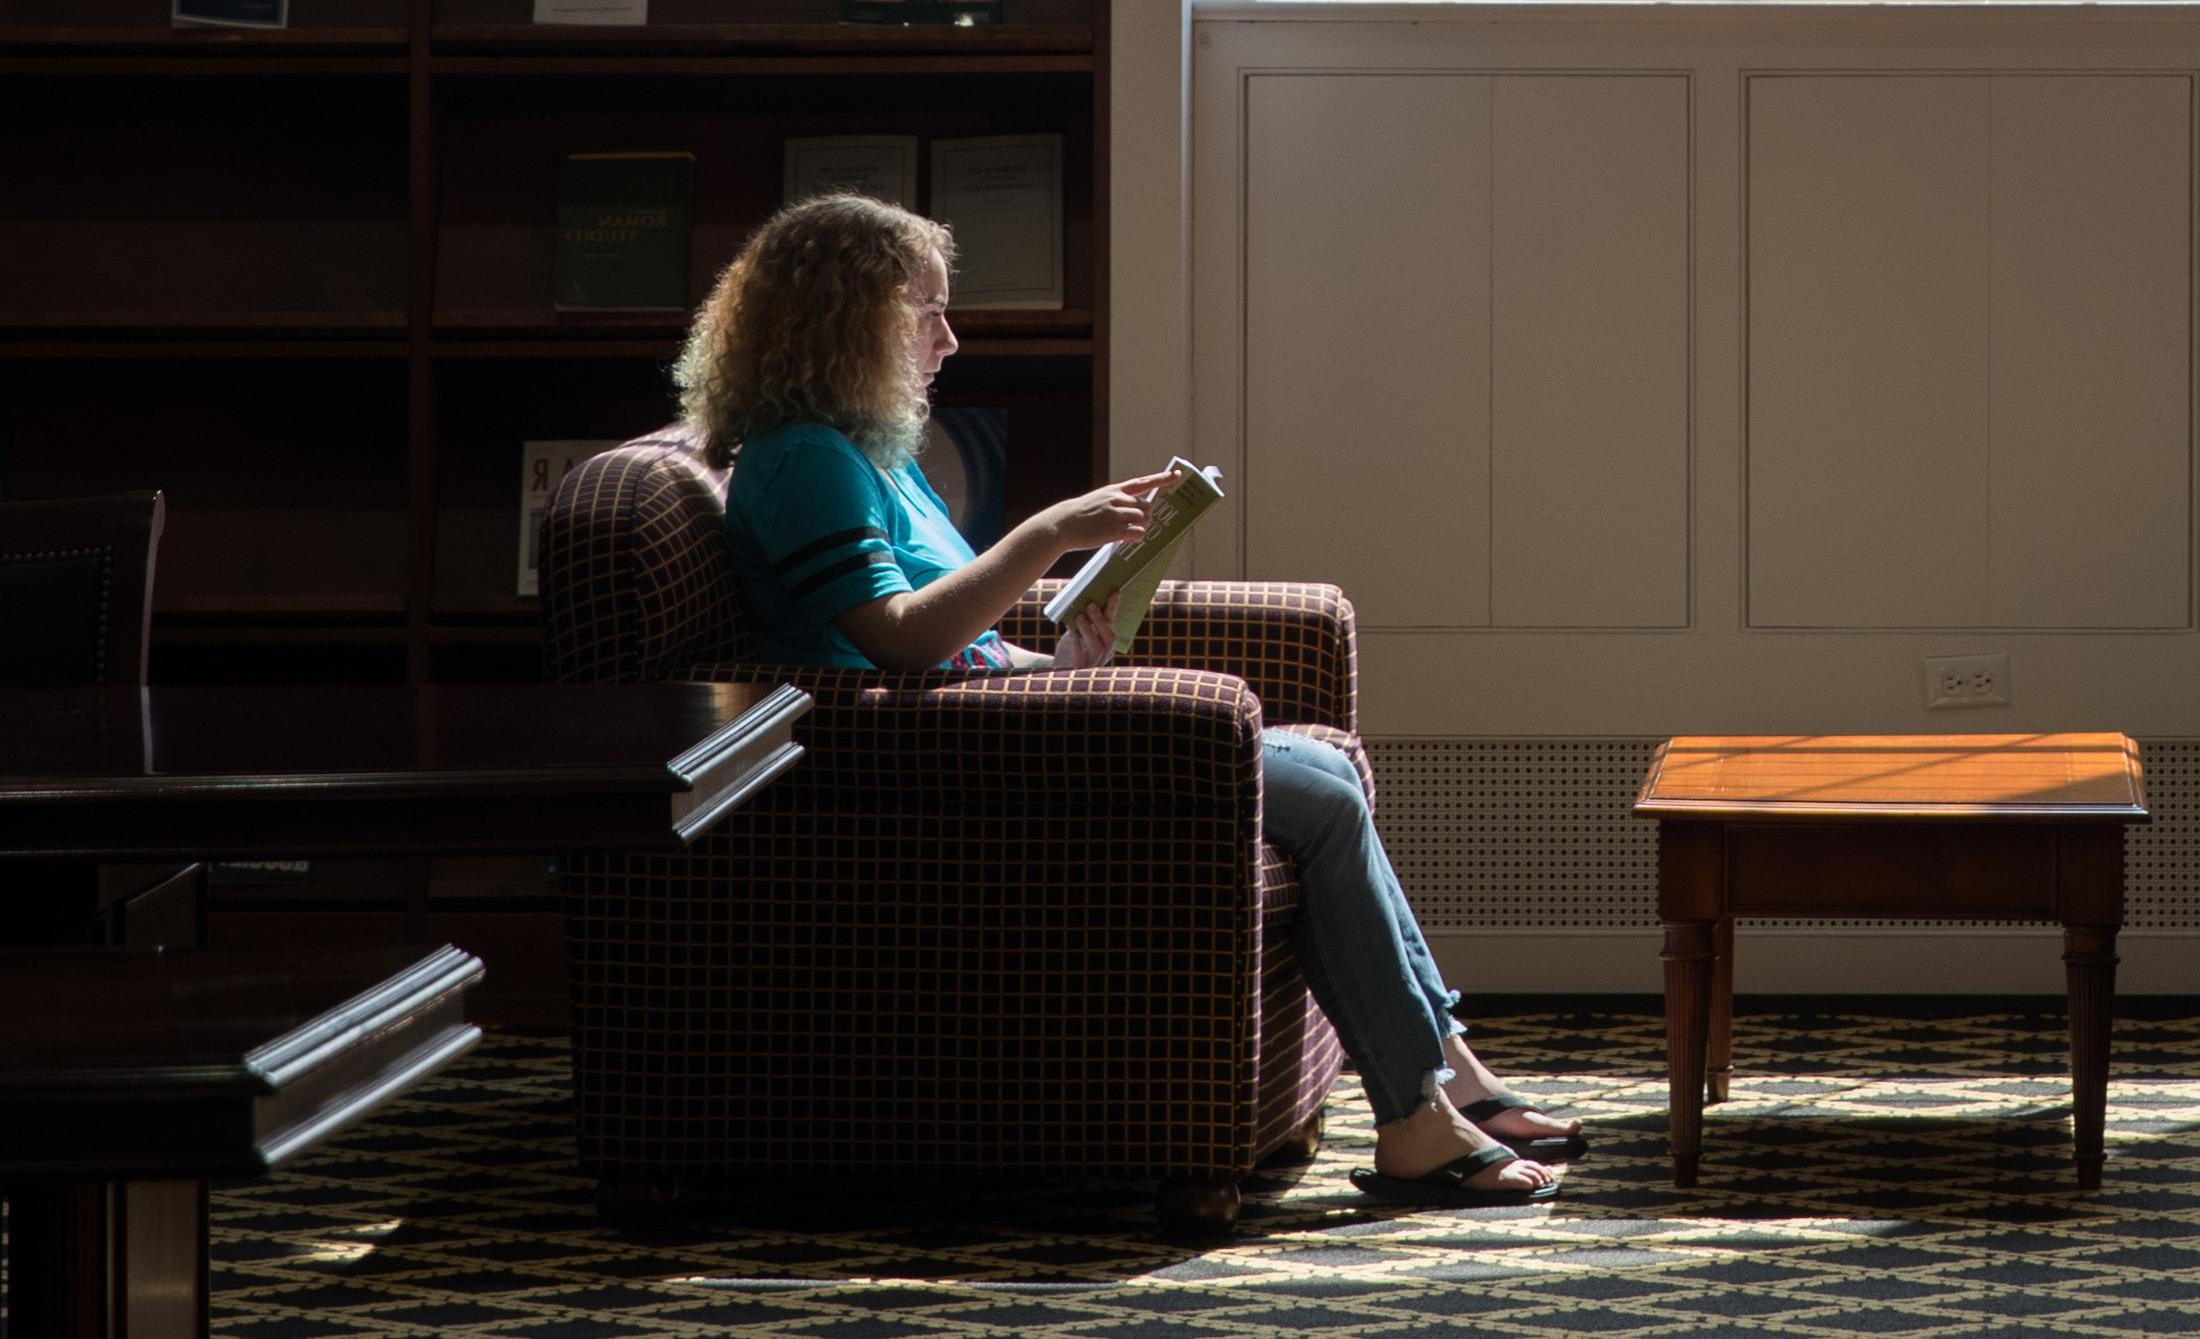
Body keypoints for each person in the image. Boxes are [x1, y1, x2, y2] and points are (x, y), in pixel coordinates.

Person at [677, 195, 1580, 1206]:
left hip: (964, 719)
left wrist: (1052, 668)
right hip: (916, 752)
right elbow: (896, 641)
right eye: (926, 310)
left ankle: (1446, 1070)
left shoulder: (860, 450)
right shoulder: (802, 458)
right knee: (1320, 795)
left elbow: (950, 642)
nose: (949, 336)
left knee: (1325, 768)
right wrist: (1046, 535)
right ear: (849, 316)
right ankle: (1419, 1112)